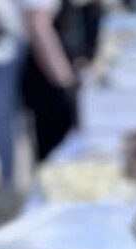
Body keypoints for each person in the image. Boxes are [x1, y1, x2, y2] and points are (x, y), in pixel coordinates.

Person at [21, 0, 103, 160]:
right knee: (59, 155)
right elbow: (38, 24)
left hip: (72, 69)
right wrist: (66, 82)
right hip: (52, 79)